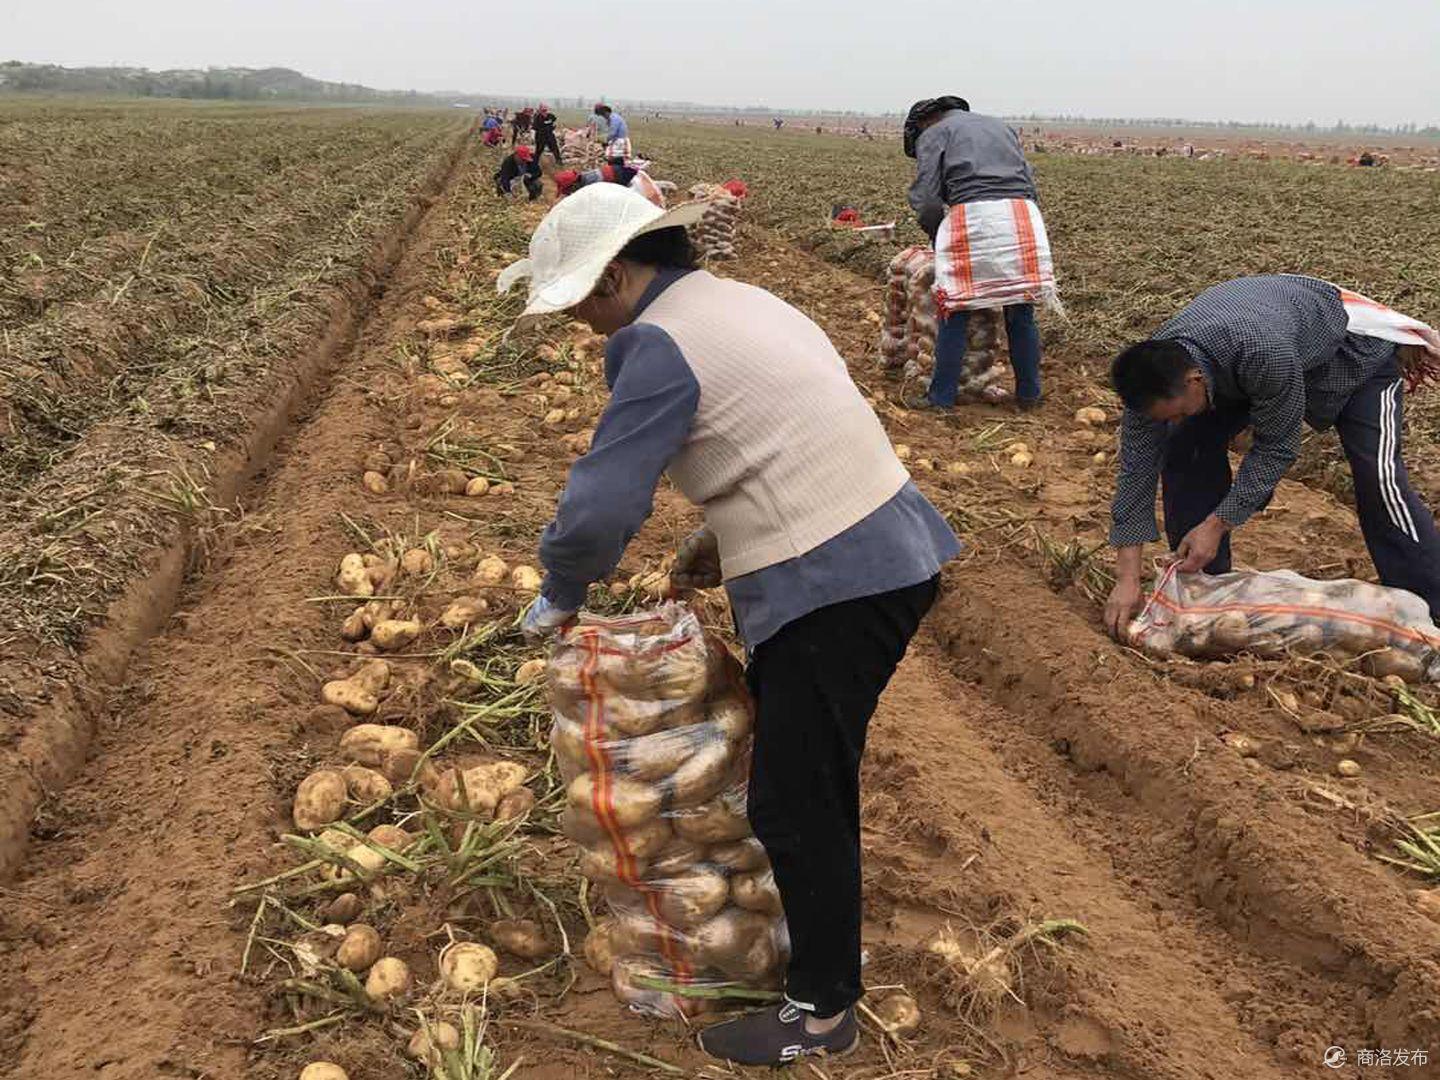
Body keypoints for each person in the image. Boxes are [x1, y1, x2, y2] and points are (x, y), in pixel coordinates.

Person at [498, 184, 960, 1067]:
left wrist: (561, 588)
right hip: (889, 546)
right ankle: (816, 963)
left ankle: (822, 1013)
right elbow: (790, 422)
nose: (585, 325)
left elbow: (600, 505)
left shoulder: (654, 341)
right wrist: (722, 533)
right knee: (808, 777)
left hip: (834, 579)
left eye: (585, 303)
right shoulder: (743, 303)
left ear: (622, 275)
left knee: (796, 798)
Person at [1102, 274, 1440, 638]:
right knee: (1185, 445)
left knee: (1379, 478)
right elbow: (1135, 471)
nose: (1173, 420)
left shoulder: (1263, 353)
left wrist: (1216, 525)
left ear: (1195, 380)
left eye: (1179, 411)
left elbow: (1277, 447)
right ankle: (1205, 589)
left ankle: (1430, 609)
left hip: (1354, 360)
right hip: (1259, 357)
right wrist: (1127, 578)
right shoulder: (1149, 383)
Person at [905, 95, 1058, 410]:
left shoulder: (933, 133)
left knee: (955, 312)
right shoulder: (1000, 127)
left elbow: (928, 200)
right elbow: (1029, 180)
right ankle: (1029, 396)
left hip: (973, 217)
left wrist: (938, 236)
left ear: (924, 121)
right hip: (1022, 216)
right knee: (1021, 312)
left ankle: (941, 399)